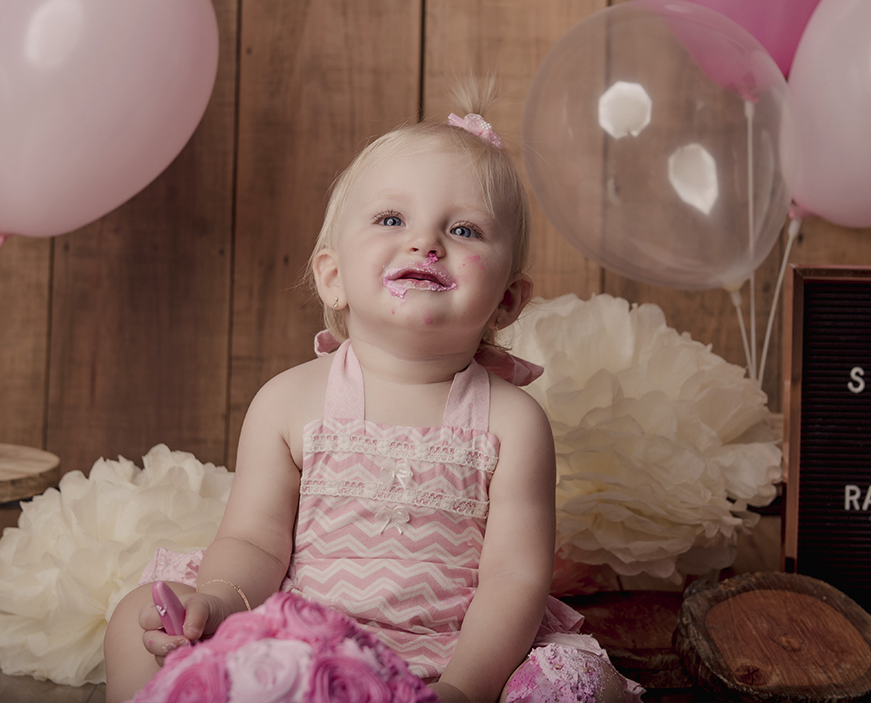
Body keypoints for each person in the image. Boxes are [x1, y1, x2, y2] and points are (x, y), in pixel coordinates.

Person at [103, 81, 642, 703]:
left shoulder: (512, 423)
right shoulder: (289, 402)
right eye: (392, 219)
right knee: (134, 617)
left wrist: (465, 688)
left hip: (457, 656)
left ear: (507, 301)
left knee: (581, 684)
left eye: (464, 230)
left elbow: (513, 579)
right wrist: (219, 602)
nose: (426, 243)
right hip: (304, 646)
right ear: (333, 277)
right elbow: (253, 541)